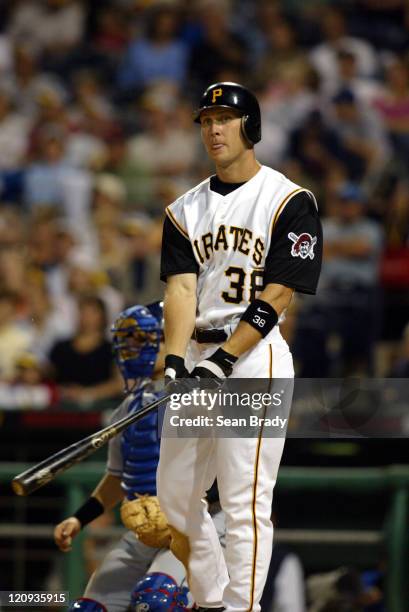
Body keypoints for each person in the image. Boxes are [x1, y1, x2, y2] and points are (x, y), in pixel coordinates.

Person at [158, 81, 322, 612]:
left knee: (244, 500)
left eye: (223, 119)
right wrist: (177, 359)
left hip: (254, 357)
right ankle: (210, 601)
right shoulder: (184, 210)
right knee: (175, 497)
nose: (213, 130)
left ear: (249, 127)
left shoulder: (289, 200)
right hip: (202, 356)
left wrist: (227, 357)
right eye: (206, 121)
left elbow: (280, 291)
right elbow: (181, 289)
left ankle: (241, 608)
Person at [53, 303, 225, 611]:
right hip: (148, 531)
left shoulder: (202, 391)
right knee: (89, 609)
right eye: (131, 341)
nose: (135, 351)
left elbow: (229, 470)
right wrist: (79, 518)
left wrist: (183, 502)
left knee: (158, 600)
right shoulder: (130, 407)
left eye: (146, 340)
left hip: (202, 523)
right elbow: (120, 478)